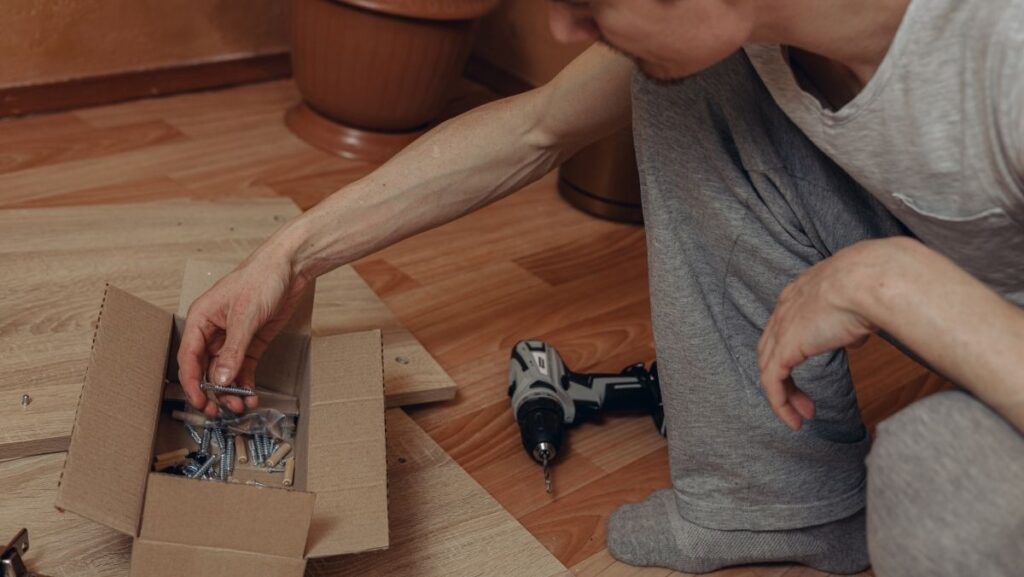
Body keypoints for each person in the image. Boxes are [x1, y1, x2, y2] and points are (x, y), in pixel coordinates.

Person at [178, 0, 1024, 574]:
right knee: (680, 81)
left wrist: (892, 281)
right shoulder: (750, 25)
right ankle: (771, 500)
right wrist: (287, 256)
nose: (559, 19)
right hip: (970, 300)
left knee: (939, 482)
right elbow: (537, 126)